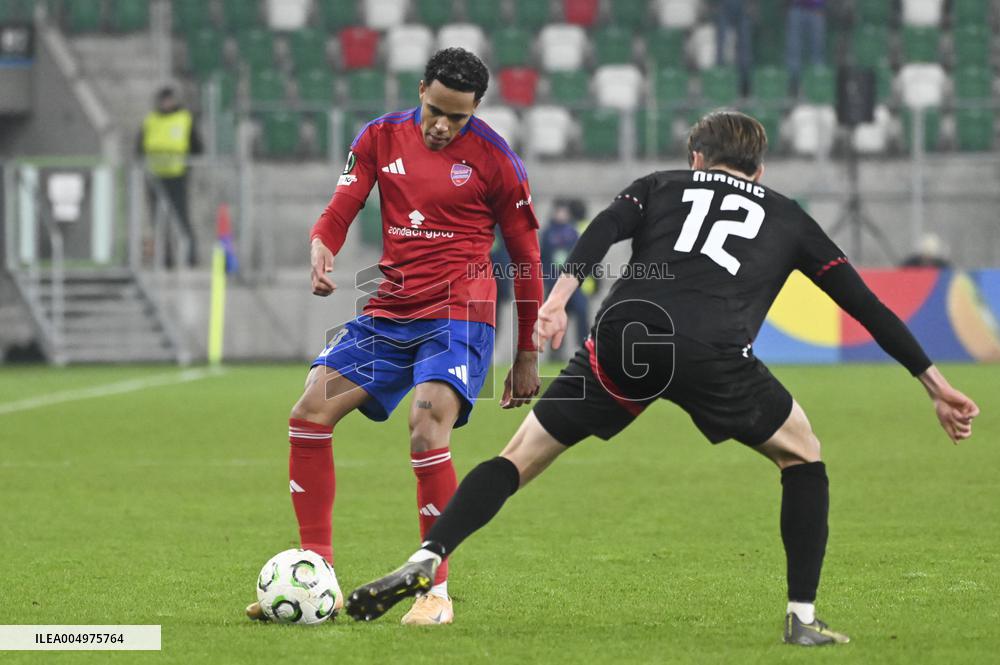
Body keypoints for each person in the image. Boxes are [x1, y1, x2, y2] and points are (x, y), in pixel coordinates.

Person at [343, 111, 981, 644]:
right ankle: (802, 618)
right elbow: (866, 306)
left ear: (697, 158)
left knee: (518, 458)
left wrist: (559, 299)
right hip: (713, 352)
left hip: (627, 335)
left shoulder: (659, 184)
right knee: (803, 455)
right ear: (759, 171)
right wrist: (934, 384)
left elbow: (602, 230)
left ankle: (428, 557)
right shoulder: (789, 216)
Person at [244, 48, 543, 626]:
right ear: (421, 89)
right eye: (435, 110)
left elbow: (527, 258)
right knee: (309, 412)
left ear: (477, 109)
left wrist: (527, 350)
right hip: (390, 312)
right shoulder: (380, 137)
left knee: (426, 424)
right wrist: (322, 243)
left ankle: (436, 592)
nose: (442, 126)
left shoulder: (497, 160)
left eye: (457, 117)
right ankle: (316, 578)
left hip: (460, 314)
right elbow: (342, 205)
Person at [137, 85, 203, 267]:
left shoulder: (184, 119)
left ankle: (190, 256)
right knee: (158, 220)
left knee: (181, 216)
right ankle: (166, 258)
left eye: (169, 100)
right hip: (155, 176)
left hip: (177, 175)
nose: (166, 103)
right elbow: (140, 147)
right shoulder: (151, 120)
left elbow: (197, 147)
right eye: (164, 100)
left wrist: (187, 165)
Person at [540, 199, 589, 358]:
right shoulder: (547, 233)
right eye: (559, 211)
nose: (561, 214)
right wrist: (547, 278)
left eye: (564, 211)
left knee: (581, 312)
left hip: (572, 284)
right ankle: (556, 352)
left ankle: (584, 348)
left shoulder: (574, 231)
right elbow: (542, 258)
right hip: (554, 284)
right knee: (555, 318)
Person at [713, 0, 753, 96]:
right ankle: (720, 83)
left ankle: (744, 85)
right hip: (724, 4)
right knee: (722, 46)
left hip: (742, 4)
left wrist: (752, 3)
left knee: (744, 46)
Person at [787, 0, 827, 94]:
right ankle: (794, 86)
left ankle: (817, 87)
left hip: (817, 9)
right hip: (797, 8)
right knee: (794, 49)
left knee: (817, 50)